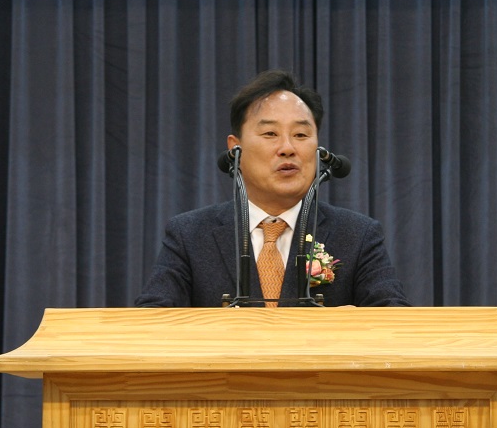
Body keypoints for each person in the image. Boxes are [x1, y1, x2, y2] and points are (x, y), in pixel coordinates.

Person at [135, 70, 409, 308]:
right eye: (270, 134)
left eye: (301, 135)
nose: (288, 148)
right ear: (235, 149)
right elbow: (151, 319)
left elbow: (394, 319)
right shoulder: (191, 235)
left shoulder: (357, 235)